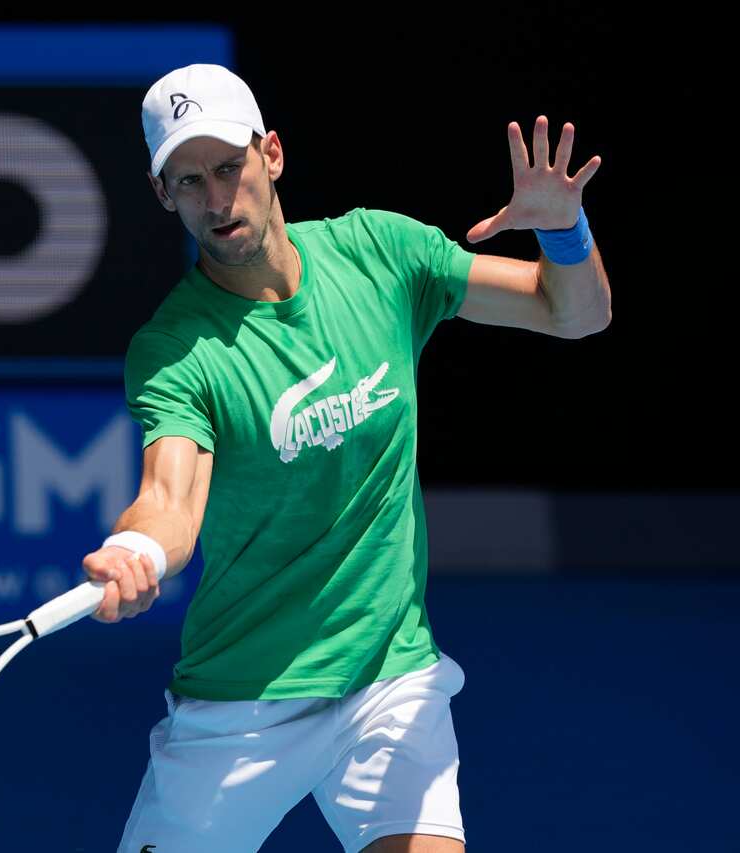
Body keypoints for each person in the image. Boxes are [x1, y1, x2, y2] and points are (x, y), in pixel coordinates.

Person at [80, 64, 610, 853]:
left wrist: (565, 232)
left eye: (228, 166)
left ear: (272, 154)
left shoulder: (380, 253)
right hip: (241, 702)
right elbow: (170, 499)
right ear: (164, 194)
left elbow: (574, 314)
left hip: (389, 680)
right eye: (189, 181)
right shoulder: (174, 350)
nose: (217, 199)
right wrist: (135, 547)